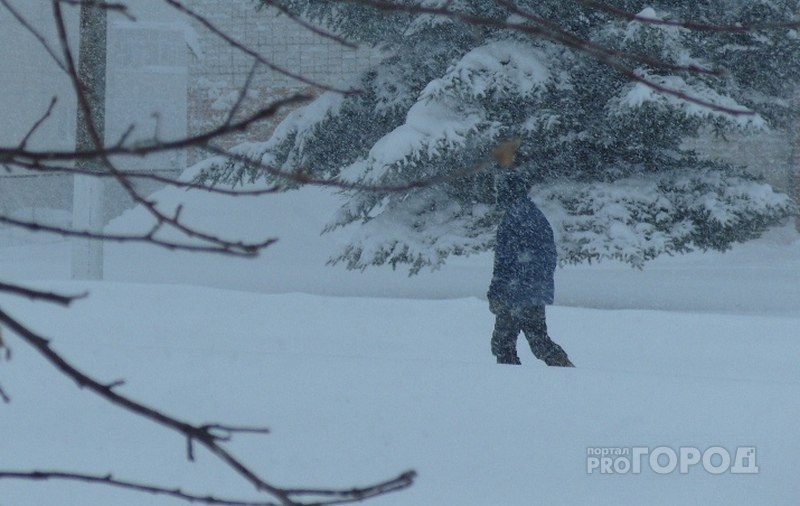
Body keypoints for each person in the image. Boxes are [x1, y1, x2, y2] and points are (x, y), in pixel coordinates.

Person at [487, 172, 574, 367]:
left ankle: (510, 381)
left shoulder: (515, 218)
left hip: (516, 292)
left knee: (503, 343)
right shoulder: (532, 215)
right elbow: (545, 257)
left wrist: (498, 291)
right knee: (537, 340)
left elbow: (505, 261)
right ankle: (563, 366)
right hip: (531, 291)